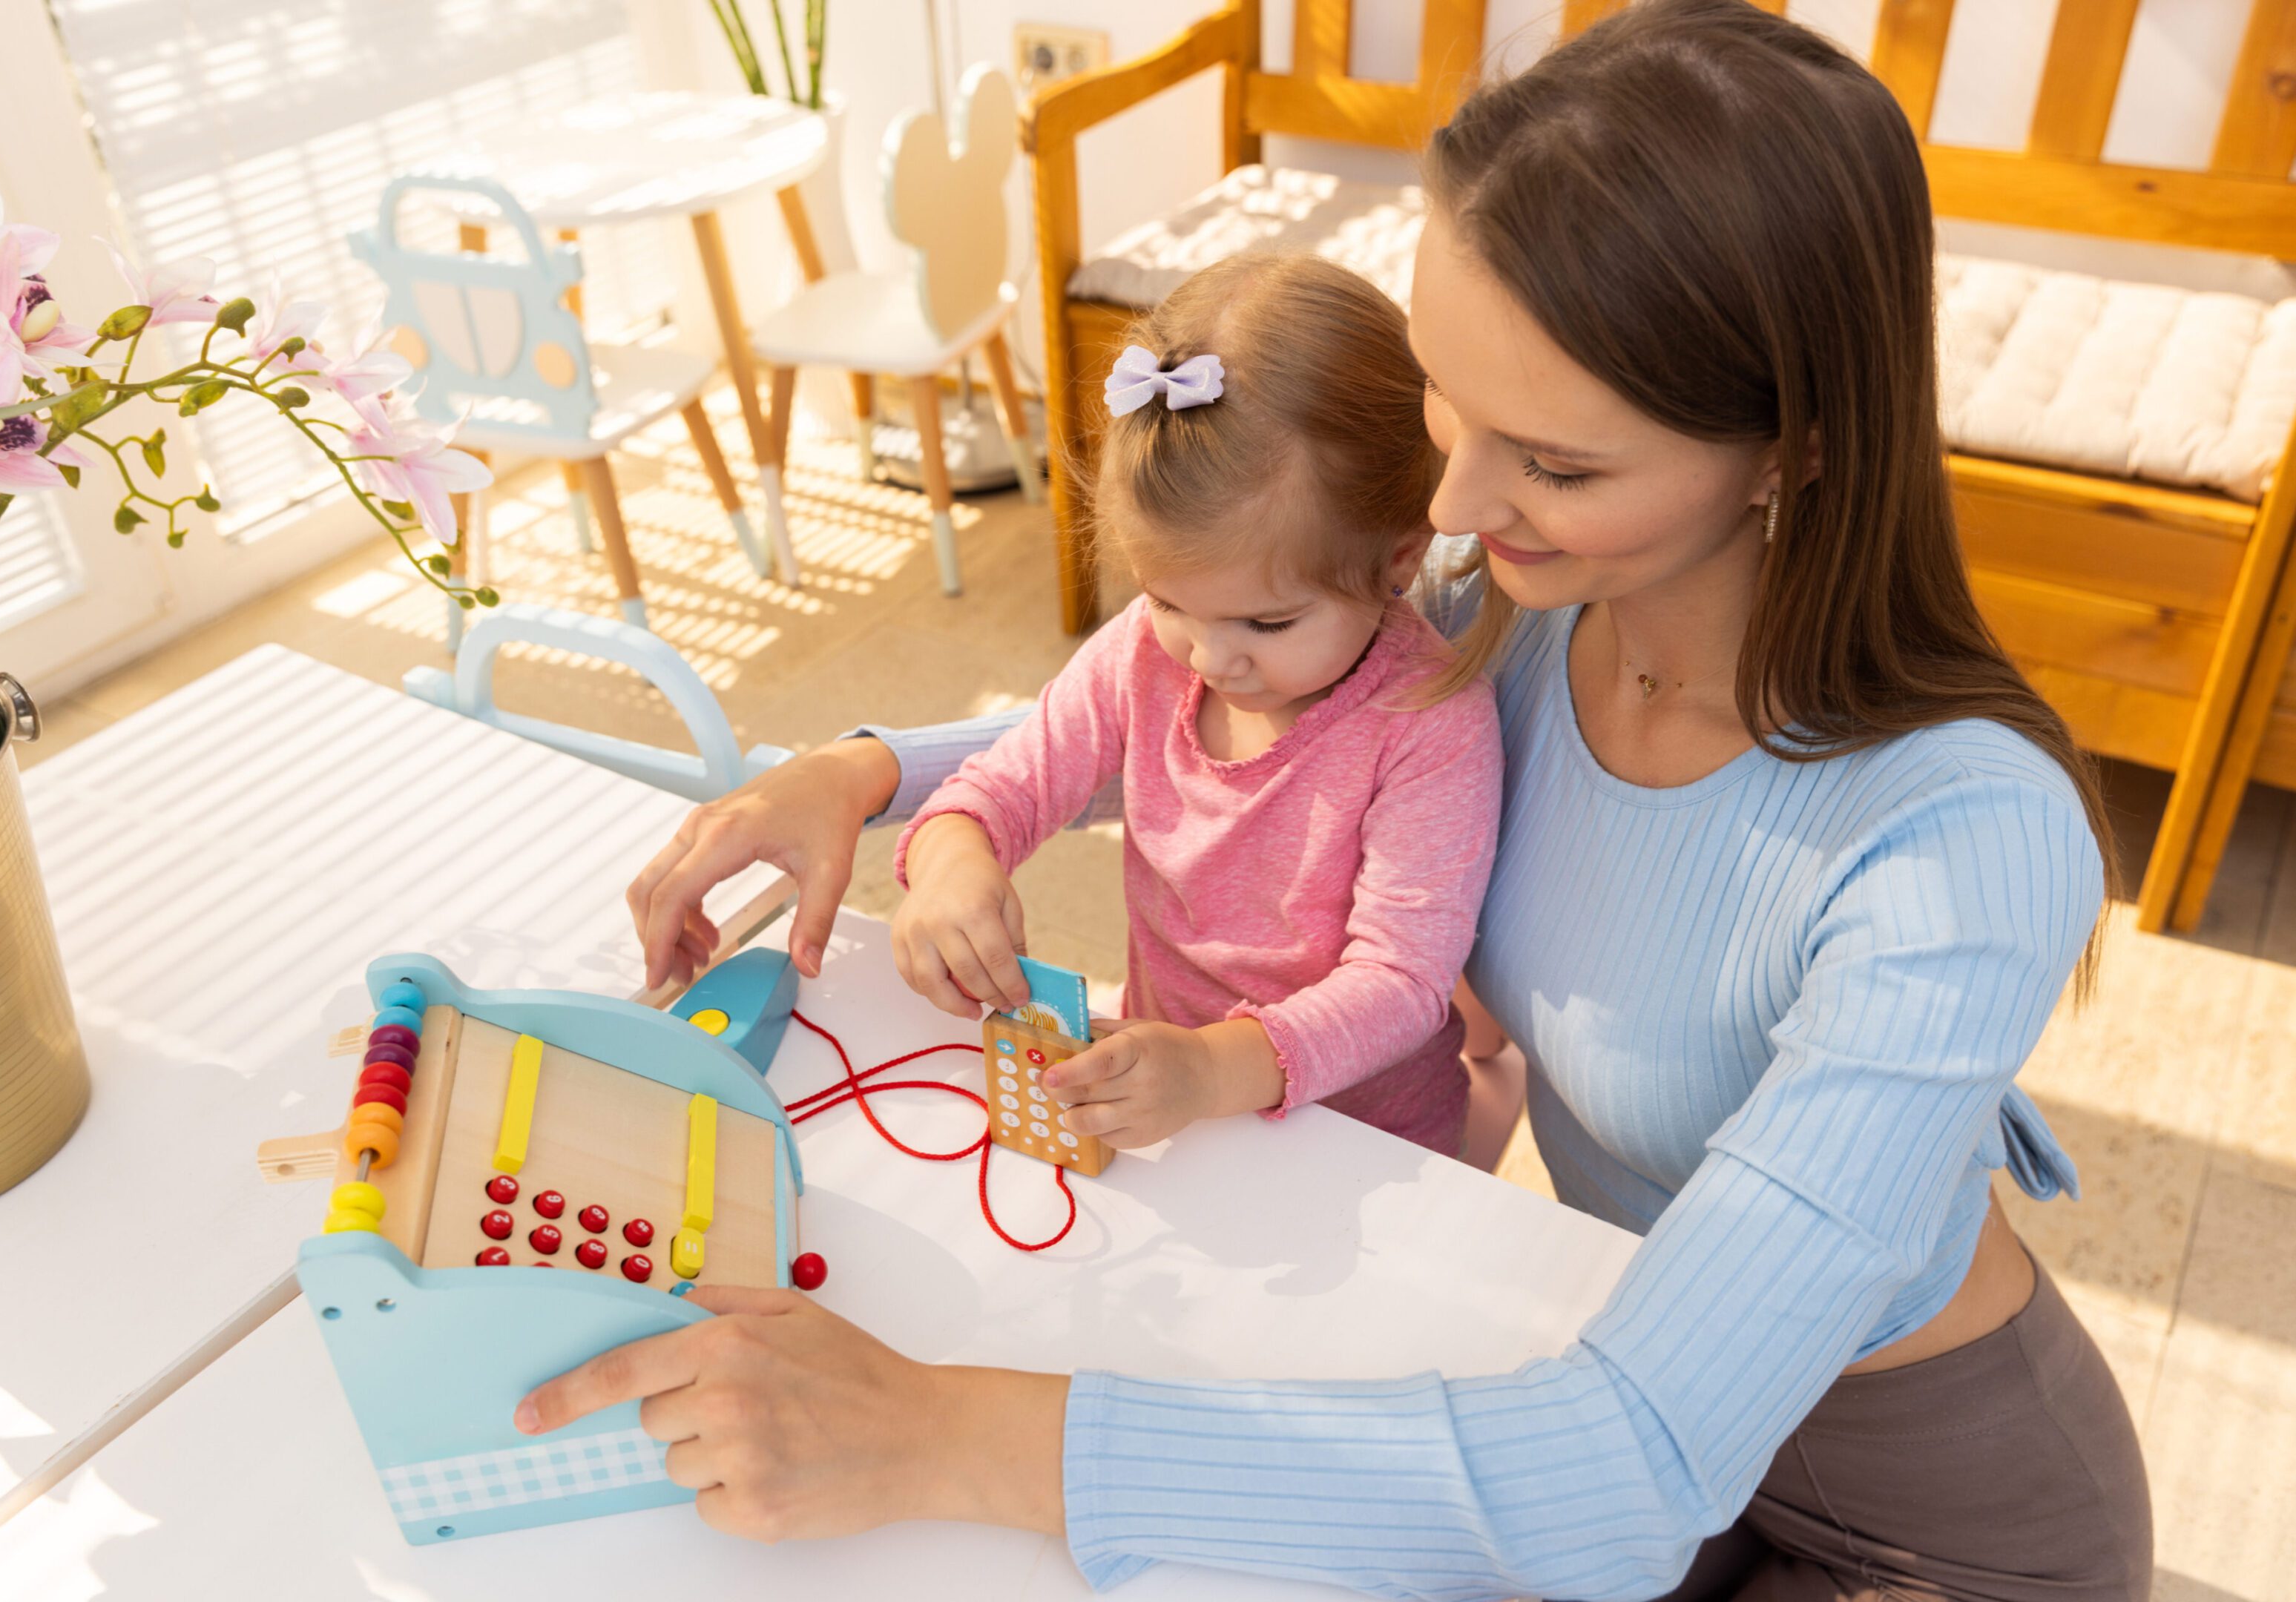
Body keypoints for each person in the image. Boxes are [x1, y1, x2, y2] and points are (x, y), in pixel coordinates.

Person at [532, 4, 2153, 1597]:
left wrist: (947, 1435)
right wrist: (861, 774)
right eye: (1445, 400)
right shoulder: (1499, 601)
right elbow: (1166, 696)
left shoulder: (1961, 847)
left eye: (1555, 462)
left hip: (1926, 1522)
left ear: (1788, 449)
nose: (1445, 505)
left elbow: (1618, 1476)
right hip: (1607, 1344)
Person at [893, 252, 1502, 1156]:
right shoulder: (1145, 650)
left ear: (1399, 560)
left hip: (1364, 1145)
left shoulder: (1430, 721)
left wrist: (1210, 1071)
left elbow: (1400, 984)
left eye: (1267, 620)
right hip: (1168, 1100)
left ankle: (1501, 1090)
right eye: (1169, 600)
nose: (1212, 657)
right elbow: (1002, 790)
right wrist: (949, 865)